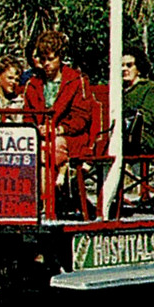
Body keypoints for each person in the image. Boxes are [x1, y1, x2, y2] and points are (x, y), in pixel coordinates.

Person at [21, 30, 96, 188]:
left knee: (50, 148)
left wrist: (59, 129)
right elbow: (28, 116)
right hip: (41, 136)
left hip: (70, 137)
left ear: (60, 57)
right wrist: (36, 129)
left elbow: (81, 117)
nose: (46, 63)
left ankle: (49, 200)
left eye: (51, 59)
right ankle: (49, 195)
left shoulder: (76, 81)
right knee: (32, 149)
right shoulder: (33, 84)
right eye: (43, 59)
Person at [119, 50, 154, 155]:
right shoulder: (118, 91)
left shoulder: (149, 88)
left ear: (139, 69)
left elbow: (148, 117)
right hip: (121, 135)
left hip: (143, 136)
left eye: (129, 65)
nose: (124, 69)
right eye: (121, 65)